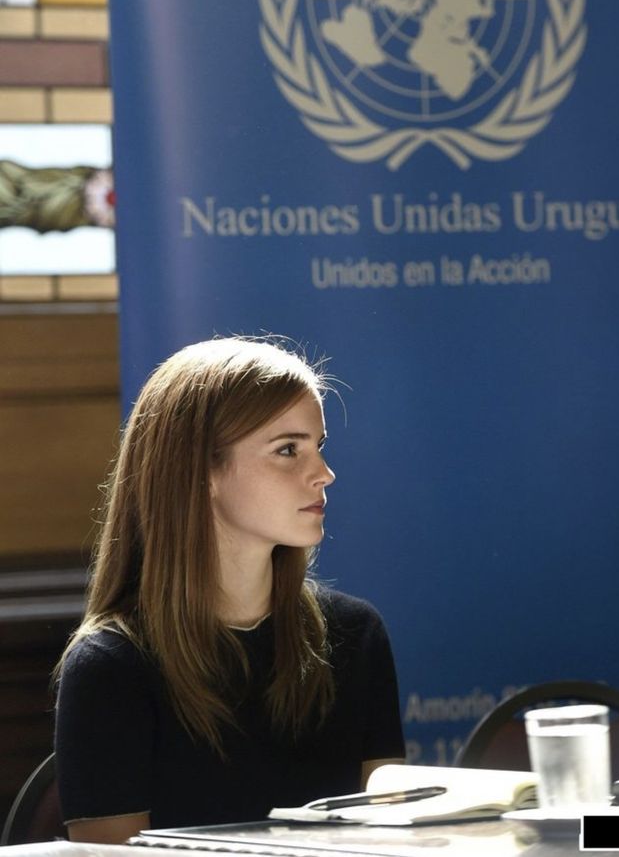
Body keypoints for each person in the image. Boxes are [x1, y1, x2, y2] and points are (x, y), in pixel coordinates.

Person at [54, 336, 405, 844]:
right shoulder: (111, 668)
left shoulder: (356, 634)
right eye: (288, 450)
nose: (324, 474)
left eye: (318, 447)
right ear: (201, 470)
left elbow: (389, 841)